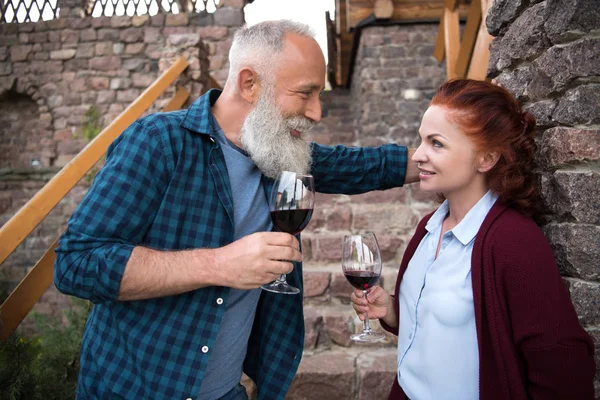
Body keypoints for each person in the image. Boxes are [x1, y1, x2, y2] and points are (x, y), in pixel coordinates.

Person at [54, 20, 418, 400]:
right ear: (249, 84)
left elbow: (364, 166)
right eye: (305, 94)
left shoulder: (280, 152)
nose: (317, 112)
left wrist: (443, 158)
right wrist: (220, 264)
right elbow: (76, 264)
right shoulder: (157, 141)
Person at [350, 79, 596, 400]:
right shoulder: (428, 227)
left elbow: (562, 367)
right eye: (421, 141)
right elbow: (438, 327)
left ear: (486, 159)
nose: (419, 155)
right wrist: (393, 312)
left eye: (436, 143)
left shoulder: (514, 242)